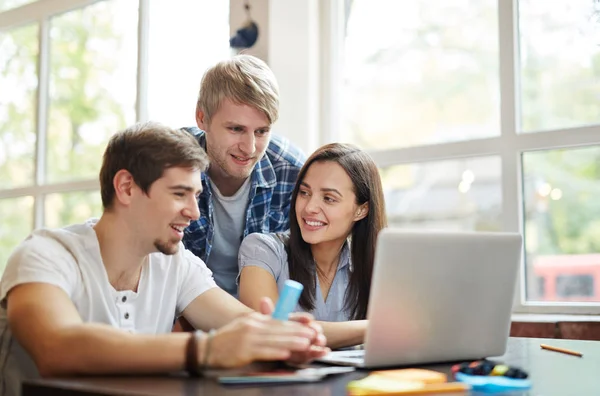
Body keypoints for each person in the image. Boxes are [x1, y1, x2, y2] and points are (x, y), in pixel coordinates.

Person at [0, 122, 326, 396]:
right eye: (179, 194)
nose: (194, 212)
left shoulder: (175, 263)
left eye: (196, 196)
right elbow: (57, 348)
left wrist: (280, 338)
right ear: (126, 187)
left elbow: (237, 322)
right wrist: (207, 350)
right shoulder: (45, 254)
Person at [238, 143, 387, 349]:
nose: (309, 208)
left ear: (361, 210)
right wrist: (379, 328)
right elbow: (273, 333)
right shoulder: (262, 249)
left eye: (328, 198)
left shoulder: (378, 267)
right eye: (304, 193)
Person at [181, 55, 306, 298]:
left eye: (261, 131)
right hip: (184, 312)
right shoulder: (171, 164)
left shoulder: (292, 172)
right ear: (201, 117)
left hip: (261, 314)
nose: (249, 148)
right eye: (236, 129)